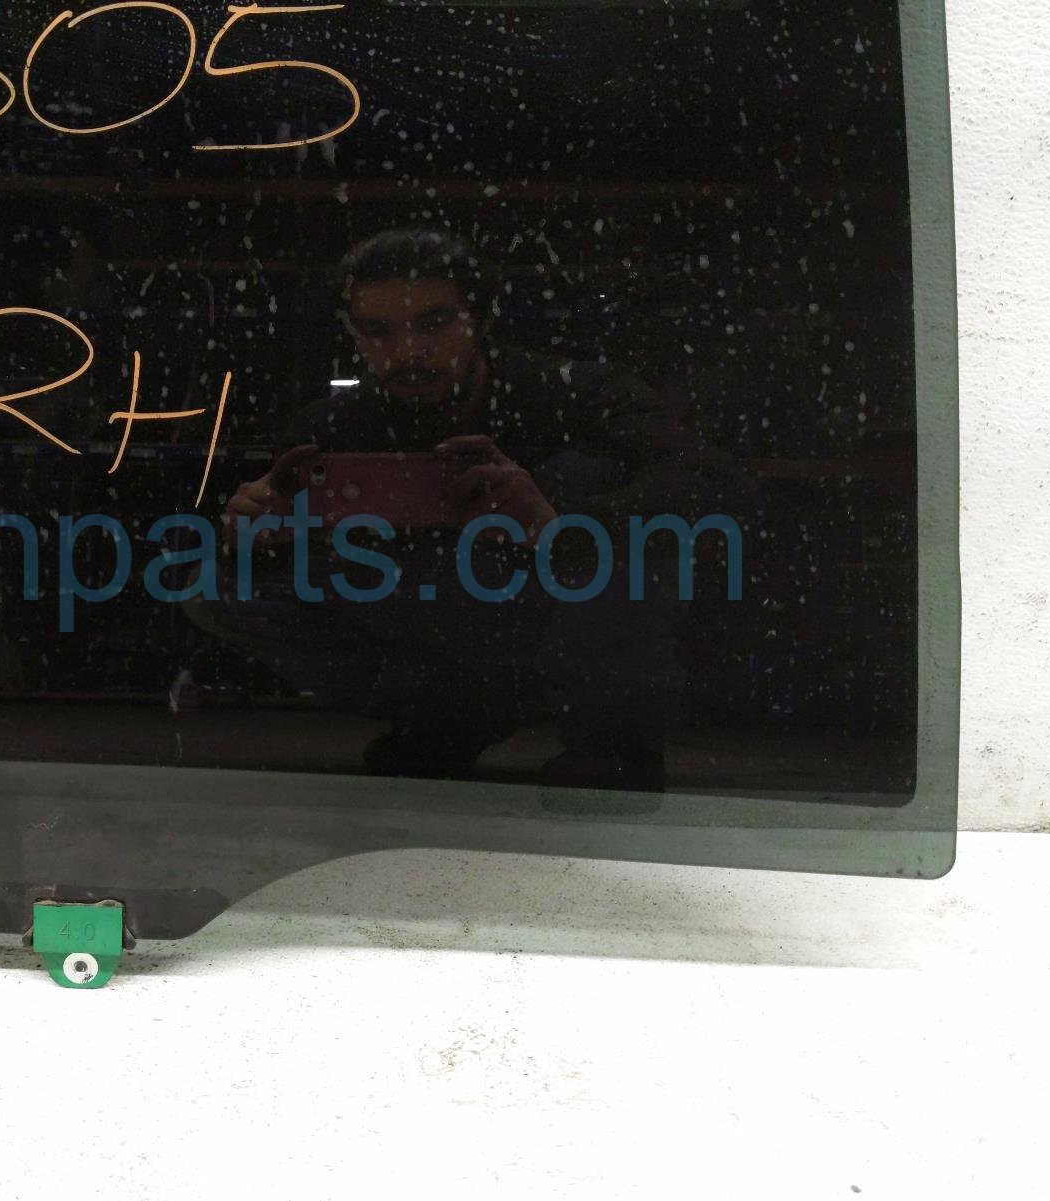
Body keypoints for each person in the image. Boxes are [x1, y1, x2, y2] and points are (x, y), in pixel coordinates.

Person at [187, 228, 739, 790]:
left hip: (542, 605)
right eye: (378, 331)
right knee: (219, 585)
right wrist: (255, 536)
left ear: (481, 320)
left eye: (434, 324)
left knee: (593, 478)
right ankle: (450, 716)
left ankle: (608, 734)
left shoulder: (571, 394)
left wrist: (562, 524)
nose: (408, 352)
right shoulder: (331, 427)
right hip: (446, 610)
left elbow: (714, 484)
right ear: (353, 333)